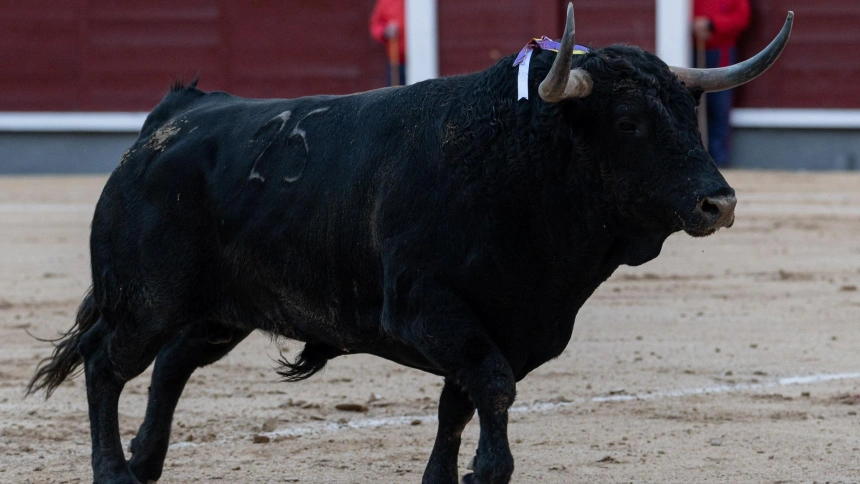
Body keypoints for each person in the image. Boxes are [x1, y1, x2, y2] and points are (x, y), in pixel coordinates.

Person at [693, 0, 750, 167]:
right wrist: (695, 26)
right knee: (693, 106)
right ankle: (697, 158)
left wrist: (711, 24)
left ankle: (718, 160)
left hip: (720, 51)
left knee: (719, 106)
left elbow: (741, 18)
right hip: (692, 50)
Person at [370, 0, 406, 86]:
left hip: (418, 59)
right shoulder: (386, 1)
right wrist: (385, 30)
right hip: (396, 61)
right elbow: (375, 26)